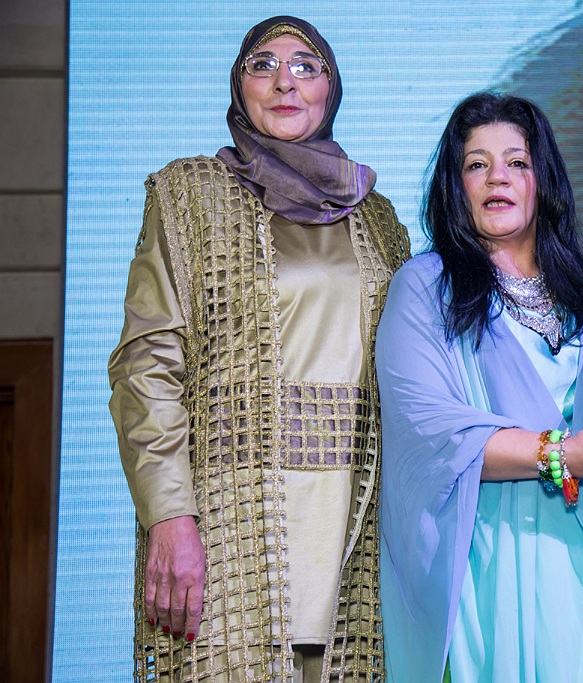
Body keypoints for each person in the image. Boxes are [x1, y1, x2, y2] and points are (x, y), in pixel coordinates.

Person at [108, 16, 409, 682]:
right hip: (230, 531)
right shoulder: (189, 196)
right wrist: (169, 514)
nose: (284, 82)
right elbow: (145, 368)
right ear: (238, 86)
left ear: (331, 88)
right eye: (262, 64)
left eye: (306, 66)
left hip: (358, 535)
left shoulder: (380, 218)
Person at [376, 92, 583, 683]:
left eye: (517, 162)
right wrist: (566, 455)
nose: (498, 177)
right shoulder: (425, 288)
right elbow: (428, 435)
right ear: (456, 186)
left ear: (543, 181)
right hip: (501, 566)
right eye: (477, 164)